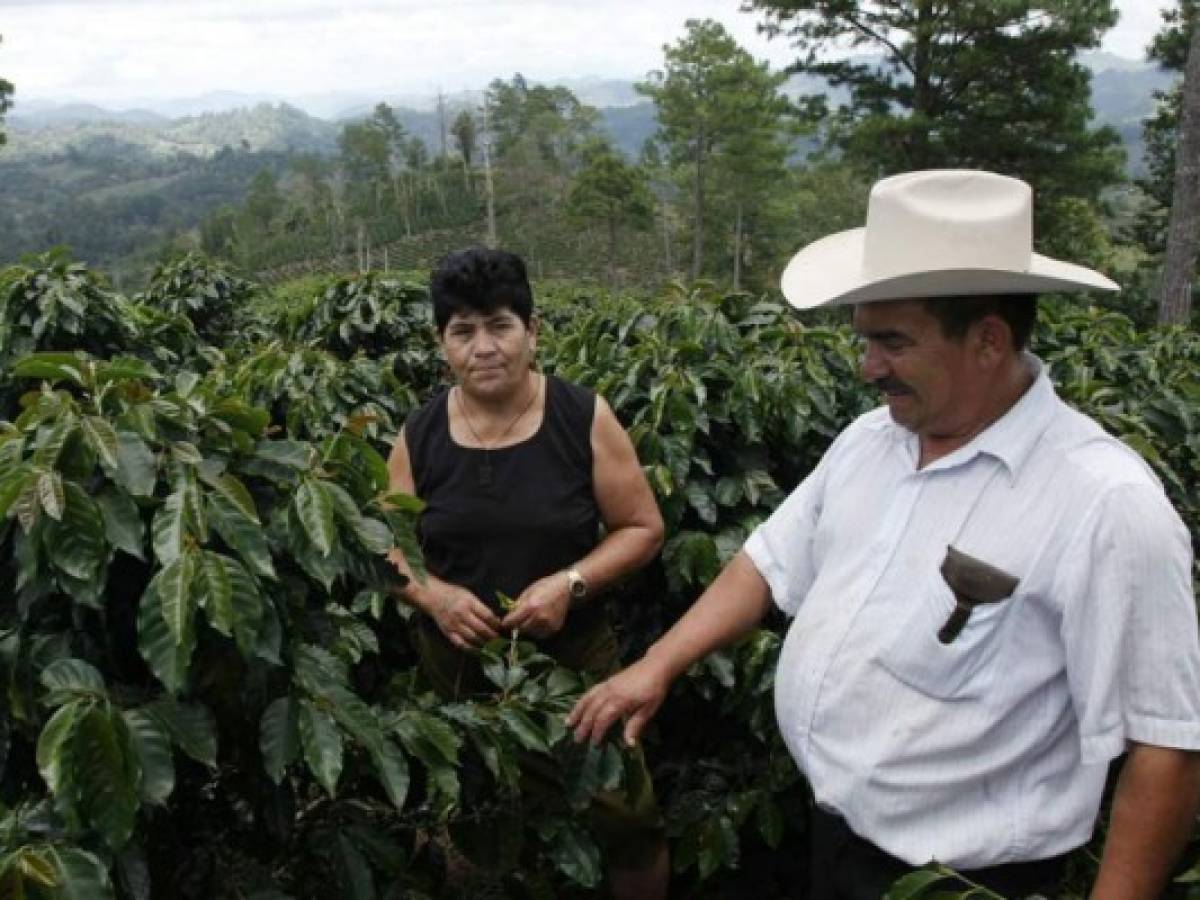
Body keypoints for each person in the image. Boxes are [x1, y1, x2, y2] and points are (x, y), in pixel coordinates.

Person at [567, 170, 1200, 899]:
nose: (869, 367)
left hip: (963, 879)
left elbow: (1166, 746)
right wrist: (657, 664)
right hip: (834, 841)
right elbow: (768, 564)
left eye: (893, 342)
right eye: (865, 340)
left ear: (989, 340)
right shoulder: (874, 441)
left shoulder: (1104, 504)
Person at [386, 246, 669, 899]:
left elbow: (642, 528)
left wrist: (570, 584)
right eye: (463, 331)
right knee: (483, 821)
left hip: (574, 671)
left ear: (533, 332)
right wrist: (435, 597)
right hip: (460, 678)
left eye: (501, 326)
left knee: (626, 816)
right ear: (442, 344)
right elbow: (383, 547)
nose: (484, 347)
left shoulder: (582, 418)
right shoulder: (420, 434)